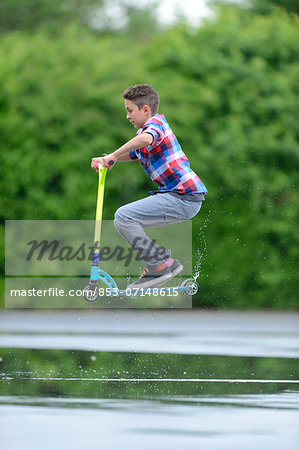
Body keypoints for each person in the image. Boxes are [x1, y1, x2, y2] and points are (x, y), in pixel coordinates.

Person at [91, 84, 207, 289]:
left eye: (129, 110)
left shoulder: (156, 125)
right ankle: (162, 263)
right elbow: (135, 152)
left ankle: (159, 264)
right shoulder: (146, 136)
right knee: (124, 221)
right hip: (182, 198)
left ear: (145, 110)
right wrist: (110, 160)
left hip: (184, 197)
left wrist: (114, 155)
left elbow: (145, 139)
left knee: (124, 216)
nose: (127, 116)